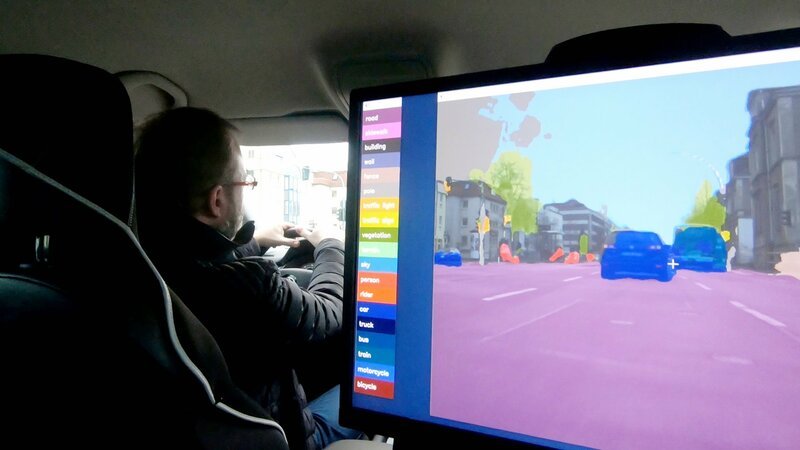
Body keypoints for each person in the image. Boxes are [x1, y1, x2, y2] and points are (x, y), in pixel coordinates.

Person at [134, 107, 362, 450]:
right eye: (245, 182)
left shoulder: (139, 263)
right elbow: (327, 312)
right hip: (283, 439)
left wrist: (254, 240)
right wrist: (331, 244)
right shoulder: (253, 286)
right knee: (364, 387)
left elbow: (204, 256)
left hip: (202, 433)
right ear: (217, 200)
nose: (246, 191)